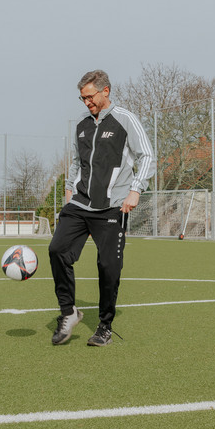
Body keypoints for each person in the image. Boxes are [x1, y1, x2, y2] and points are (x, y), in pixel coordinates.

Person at [48, 70, 155, 346]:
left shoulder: (125, 120)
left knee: (108, 267)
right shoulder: (82, 126)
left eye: (90, 96)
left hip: (113, 207)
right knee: (57, 249)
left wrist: (136, 190)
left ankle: (104, 326)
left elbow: (147, 155)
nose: (86, 103)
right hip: (80, 204)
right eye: (82, 98)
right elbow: (76, 162)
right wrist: (70, 188)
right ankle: (68, 312)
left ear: (105, 91)